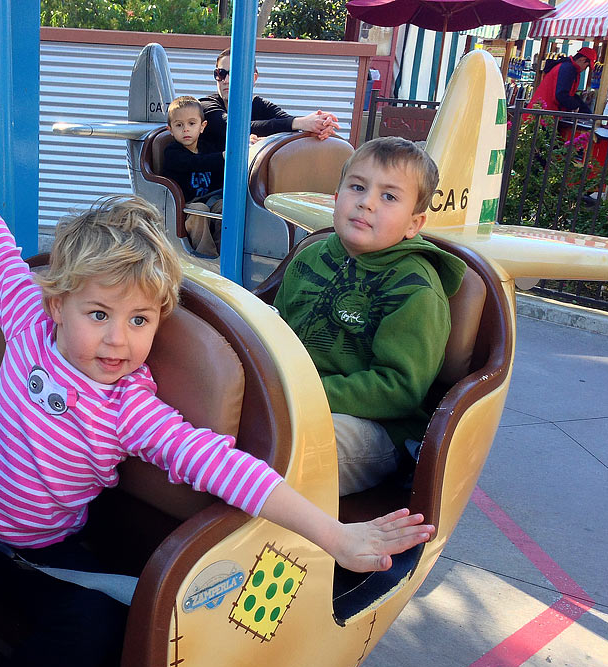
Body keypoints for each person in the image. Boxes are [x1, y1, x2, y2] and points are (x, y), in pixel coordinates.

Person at [0, 100, 434, 667]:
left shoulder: (131, 407)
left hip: (43, 555)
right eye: (99, 314)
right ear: (59, 301)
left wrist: (333, 534)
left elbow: (230, 469)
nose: (117, 340)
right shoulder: (27, 319)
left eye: (139, 321)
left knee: (92, 622)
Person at [273, 137, 467, 497]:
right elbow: (274, 333)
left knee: (286, 454)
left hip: (375, 427)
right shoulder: (308, 258)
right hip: (290, 399)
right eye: (357, 187)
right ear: (336, 197)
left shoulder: (416, 290)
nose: (367, 202)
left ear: (414, 223)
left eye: (389, 196)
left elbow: (399, 390)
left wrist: (301, 395)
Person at [198, 47, 339, 153]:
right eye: (221, 74)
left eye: (236, 73)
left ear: (253, 79)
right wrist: (301, 122)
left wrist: (319, 128)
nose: (226, 80)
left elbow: (290, 126)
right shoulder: (206, 105)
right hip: (212, 189)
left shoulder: (260, 104)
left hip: (253, 185)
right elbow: (231, 126)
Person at [161, 95, 225, 257]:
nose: (186, 129)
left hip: (210, 199)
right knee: (200, 210)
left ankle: (223, 253)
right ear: (170, 130)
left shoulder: (208, 147)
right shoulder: (172, 152)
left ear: (202, 127)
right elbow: (194, 163)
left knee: (224, 206)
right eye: (179, 125)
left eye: (191, 123)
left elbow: (217, 170)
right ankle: (207, 256)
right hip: (185, 206)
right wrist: (223, 156)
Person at [528, 47, 597, 114]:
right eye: (587, 66)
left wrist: (582, 108)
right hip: (545, 113)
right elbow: (561, 95)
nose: (585, 69)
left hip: (540, 111)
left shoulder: (566, 66)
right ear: (582, 59)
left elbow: (567, 94)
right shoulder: (568, 69)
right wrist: (576, 107)